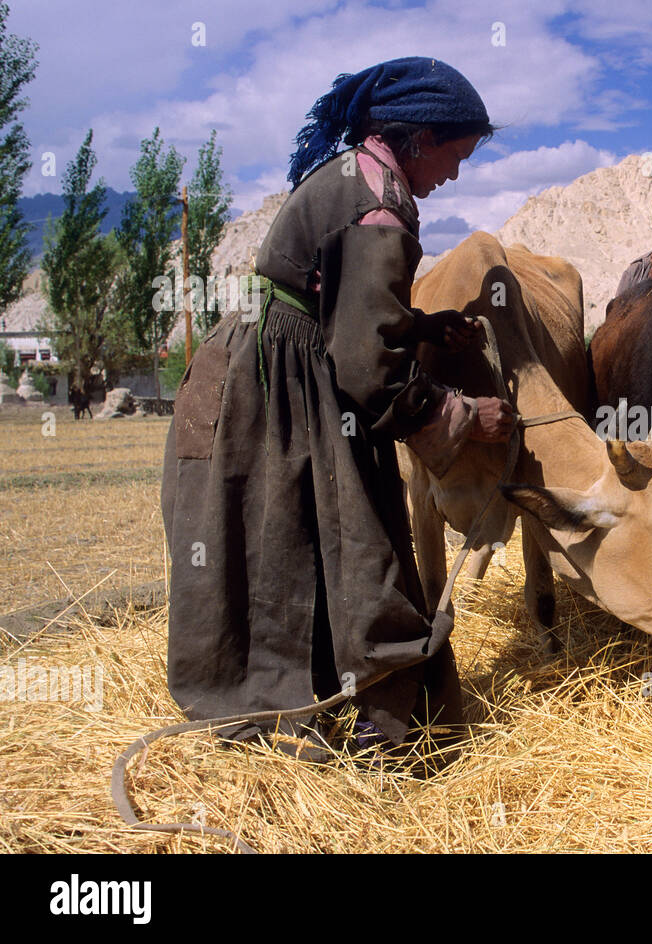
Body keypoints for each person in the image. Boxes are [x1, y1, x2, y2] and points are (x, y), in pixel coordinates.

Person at [162, 57, 514, 760]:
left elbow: (338, 302)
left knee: (271, 536)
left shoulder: (349, 173)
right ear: (418, 138)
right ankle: (365, 726)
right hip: (281, 384)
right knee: (359, 538)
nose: (452, 173)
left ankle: (286, 695)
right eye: (453, 154)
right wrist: (463, 415)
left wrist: (417, 325)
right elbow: (367, 371)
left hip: (245, 361)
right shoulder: (380, 202)